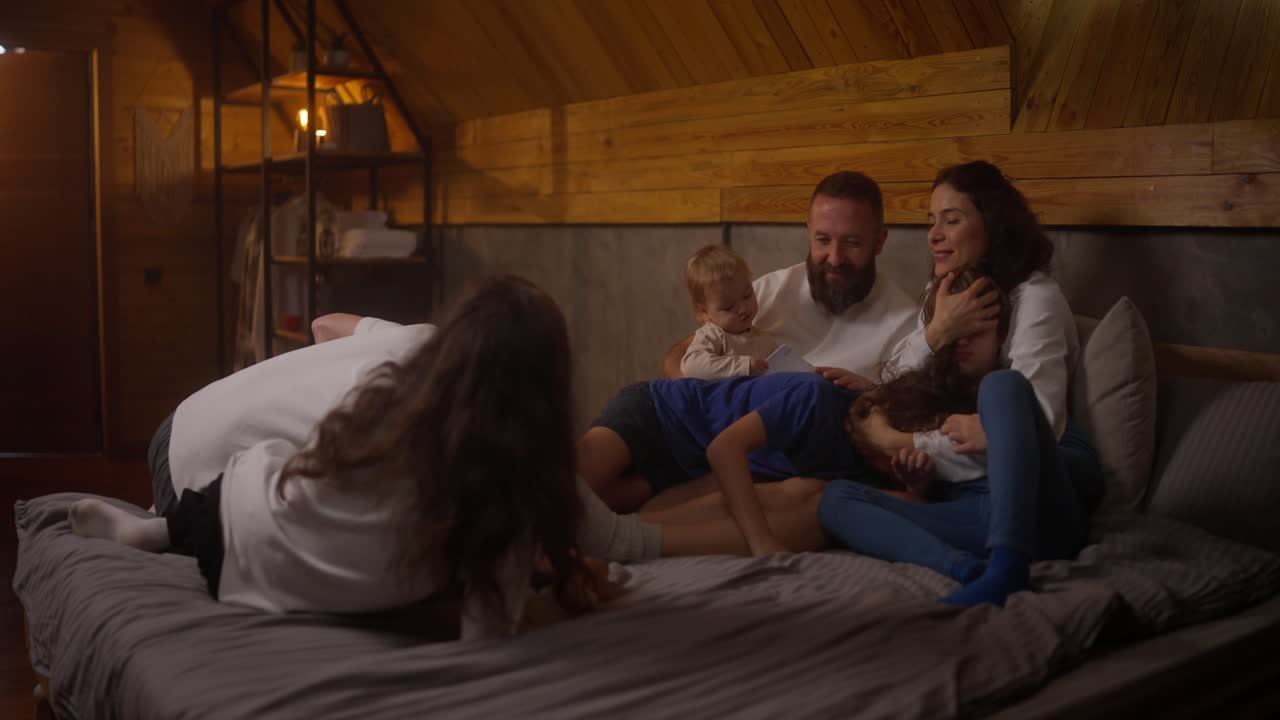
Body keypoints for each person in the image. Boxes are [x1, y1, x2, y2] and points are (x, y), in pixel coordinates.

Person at [69, 277, 611, 639]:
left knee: (286, 477)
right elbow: (488, 623)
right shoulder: (507, 502)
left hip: (202, 452)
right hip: (200, 479)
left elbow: (324, 324)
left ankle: (165, 529)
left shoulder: (413, 358)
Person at [828, 161, 1104, 608]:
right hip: (973, 503)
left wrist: (903, 440)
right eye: (931, 222)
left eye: (951, 220)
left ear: (992, 225)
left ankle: (1008, 566)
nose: (934, 235)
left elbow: (1039, 426)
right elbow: (894, 381)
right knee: (835, 499)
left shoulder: (1034, 298)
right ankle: (966, 571)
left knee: (1001, 388)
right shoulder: (945, 292)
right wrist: (939, 330)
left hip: (1037, 496)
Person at [662, 171, 916, 389]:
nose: (835, 258)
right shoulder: (767, 290)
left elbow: (904, 412)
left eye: (852, 242)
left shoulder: (906, 325)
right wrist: (703, 399)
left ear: (879, 241)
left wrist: (869, 392)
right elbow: (681, 355)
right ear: (808, 231)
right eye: (823, 240)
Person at [680, 244, 778, 379]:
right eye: (728, 307)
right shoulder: (713, 334)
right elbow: (691, 366)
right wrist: (743, 366)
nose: (743, 309)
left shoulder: (764, 339)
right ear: (704, 312)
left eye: (747, 295)